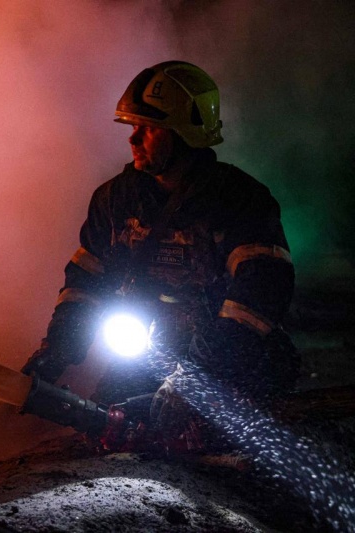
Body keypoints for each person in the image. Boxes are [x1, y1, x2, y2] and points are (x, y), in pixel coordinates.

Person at [21, 61, 299, 428]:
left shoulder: (238, 200)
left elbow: (260, 292)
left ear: (186, 134)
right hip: (151, 355)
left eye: (149, 128)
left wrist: (194, 380)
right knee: (108, 423)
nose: (133, 139)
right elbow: (85, 283)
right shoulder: (115, 201)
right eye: (133, 127)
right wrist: (56, 351)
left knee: (207, 434)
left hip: (231, 359)